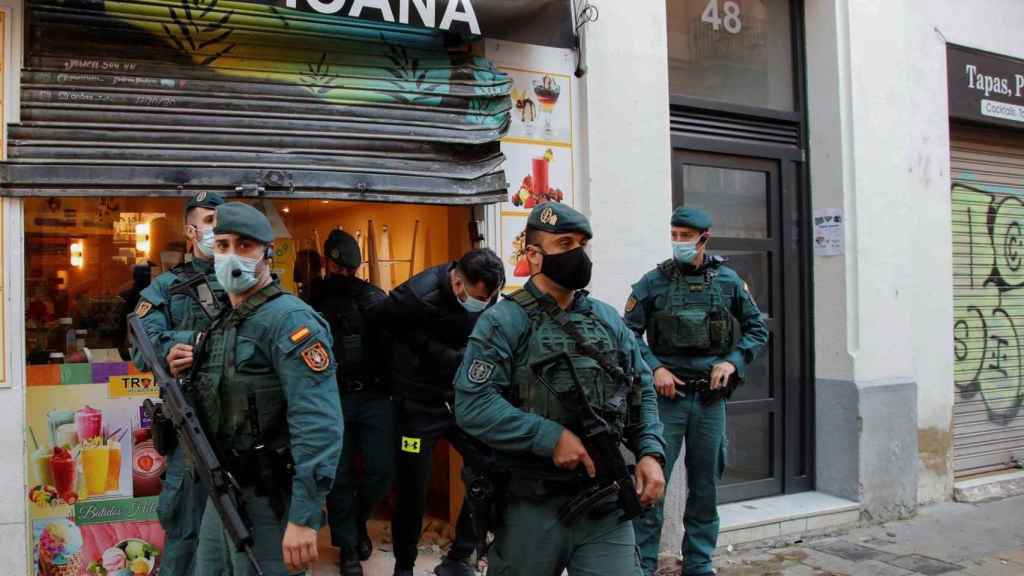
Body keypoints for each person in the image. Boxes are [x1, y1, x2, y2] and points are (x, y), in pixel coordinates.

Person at [454, 202, 667, 576]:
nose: (577, 255)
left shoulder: (605, 319)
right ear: (534, 256)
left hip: (605, 501)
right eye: (565, 243)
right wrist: (549, 437)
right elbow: (474, 405)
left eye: (582, 244)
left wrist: (650, 452)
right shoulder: (503, 321)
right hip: (530, 506)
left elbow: (641, 388)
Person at [174, 202, 343, 576]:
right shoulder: (225, 319)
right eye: (222, 245)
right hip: (223, 492)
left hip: (270, 500)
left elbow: (318, 424)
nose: (232, 256)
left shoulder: (291, 321)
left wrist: (304, 517)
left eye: (245, 245)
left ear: (267, 252)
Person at [627, 207, 769, 576]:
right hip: (665, 400)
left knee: (705, 487)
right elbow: (627, 334)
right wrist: (653, 367)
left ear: (704, 238)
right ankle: (642, 565)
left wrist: (733, 361)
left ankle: (699, 563)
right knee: (652, 485)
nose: (678, 242)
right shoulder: (653, 282)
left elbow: (757, 328)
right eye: (673, 234)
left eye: (685, 236)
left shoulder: (728, 281)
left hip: (709, 399)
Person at [371, 248, 505, 576]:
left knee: (489, 467)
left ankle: (458, 558)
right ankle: (404, 567)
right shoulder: (417, 295)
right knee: (413, 486)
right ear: (458, 282)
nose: (484, 303)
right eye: (478, 297)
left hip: (460, 402)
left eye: (489, 298)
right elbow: (378, 326)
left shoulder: (487, 295)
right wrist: (406, 368)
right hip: (417, 405)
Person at [130, 192, 228, 576]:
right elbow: (140, 341)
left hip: (245, 431)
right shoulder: (167, 288)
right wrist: (178, 344)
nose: (216, 229)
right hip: (192, 431)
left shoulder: (246, 279)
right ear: (191, 230)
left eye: (221, 220)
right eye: (208, 221)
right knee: (185, 533)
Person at [311, 230, 394, 576]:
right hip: (334, 397)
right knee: (340, 475)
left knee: (380, 470)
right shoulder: (312, 300)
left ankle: (357, 524)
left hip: (375, 396)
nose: (344, 276)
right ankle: (347, 546)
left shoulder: (372, 297)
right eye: (338, 269)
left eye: (349, 271)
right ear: (328, 263)